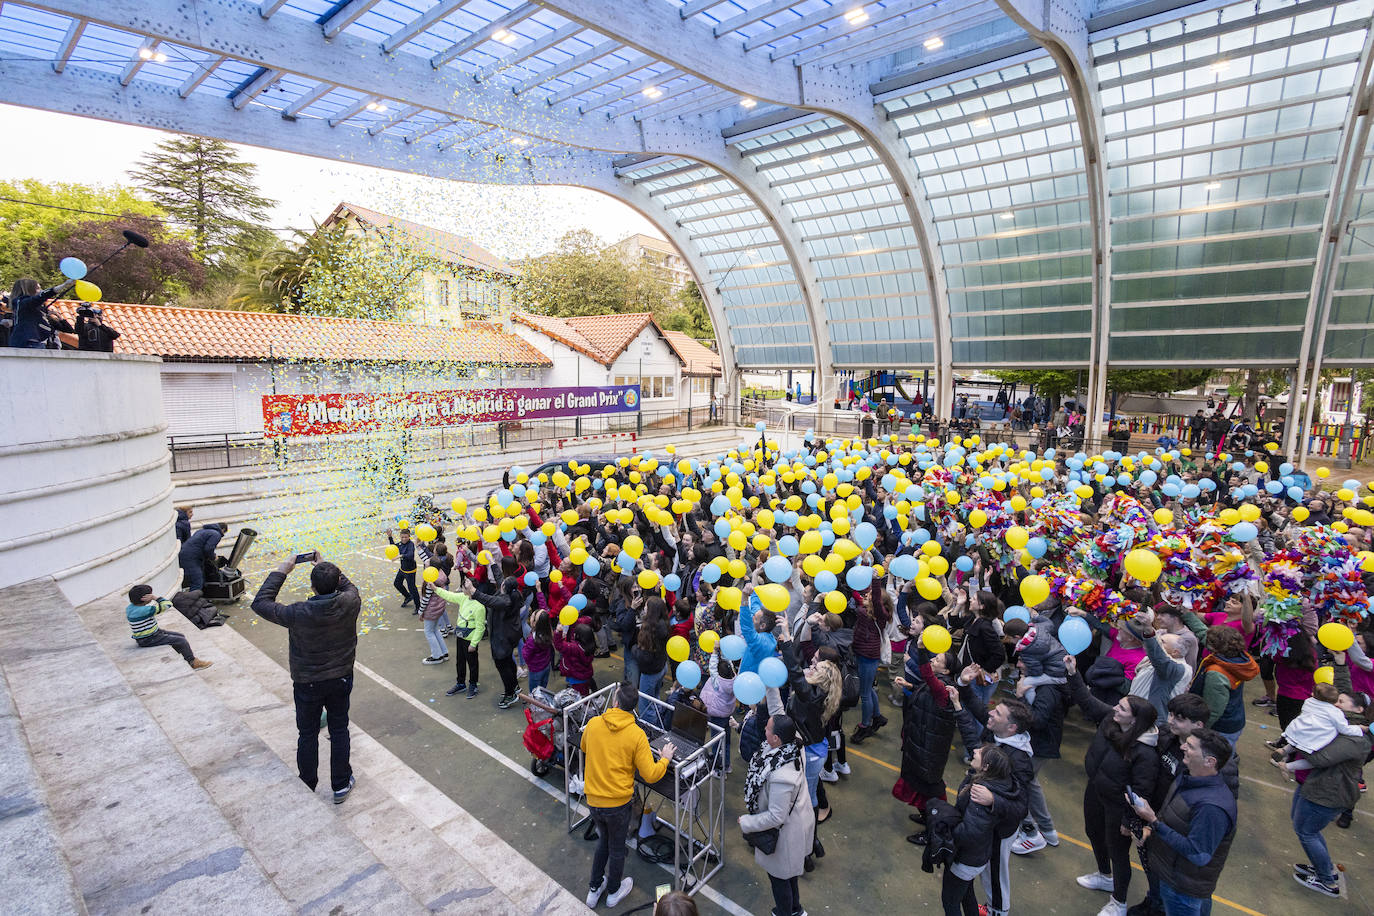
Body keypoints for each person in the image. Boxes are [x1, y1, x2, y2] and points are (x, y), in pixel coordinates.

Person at [249, 551, 362, 804]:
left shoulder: (298, 612)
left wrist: (281, 571)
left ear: (312, 586)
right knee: (339, 728)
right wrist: (326, 568)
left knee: (307, 733)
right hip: (341, 676)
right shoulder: (350, 601)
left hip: (307, 680)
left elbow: (260, 603)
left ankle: (308, 783)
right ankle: (341, 784)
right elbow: (349, 586)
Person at [1065, 654, 1161, 916]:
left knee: (1118, 852)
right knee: (1093, 833)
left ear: (1135, 719)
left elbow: (1142, 790)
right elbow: (1087, 701)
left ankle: (1118, 901)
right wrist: (1073, 674)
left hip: (1119, 806)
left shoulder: (1145, 752)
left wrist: (1129, 820)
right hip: (1096, 789)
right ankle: (1103, 874)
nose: (1114, 709)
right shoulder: (1112, 720)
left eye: (1121, 709)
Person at [581, 681, 674, 909]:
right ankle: (613, 890)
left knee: (604, 839)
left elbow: (584, 747)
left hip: (594, 800)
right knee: (616, 847)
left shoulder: (593, 724)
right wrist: (665, 759)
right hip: (618, 805)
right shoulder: (636, 735)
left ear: (615, 701)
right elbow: (651, 775)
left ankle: (594, 888)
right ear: (634, 707)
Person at [1130, 729, 1239, 916]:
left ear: (1209, 761)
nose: (1182, 747)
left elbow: (1198, 854)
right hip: (1171, 874)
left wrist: (1153, 821)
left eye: (1190, 746)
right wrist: (1151, 827)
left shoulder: (1211, 808)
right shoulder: (1187, 777)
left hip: (1183, 888)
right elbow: (1173, 815)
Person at [1287, 653, 1370, 898]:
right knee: (1301, 824)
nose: (1336, 703)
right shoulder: (1343, 715)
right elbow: (1342, 689)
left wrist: (1299, 738)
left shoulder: (1357, 739)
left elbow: (1321, 757)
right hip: (1314, 785)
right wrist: (1340, 661)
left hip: (1329, 792)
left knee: (1306, 831)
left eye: (1341, 702)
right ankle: (1324, 868)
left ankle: (1326, 881)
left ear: (1360, 710)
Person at [925, 743, 1026, 916]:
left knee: (950, 901)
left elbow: (970, 832)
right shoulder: (997, 782)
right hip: (977, 857)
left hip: (966, 859)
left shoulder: (980, 794)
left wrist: (946, 831)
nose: (974, 751)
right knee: (966, 894)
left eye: (979, 752)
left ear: (986, 767)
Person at [739, 713, 814, 916]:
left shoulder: (782, 775)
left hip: (787, 835)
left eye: (768, 729)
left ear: (776, 739)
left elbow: (776, 816)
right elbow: (778, 708)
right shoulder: (793, 745)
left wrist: (747, 822)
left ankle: (785, 912)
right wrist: (770, 686)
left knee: (780, 879)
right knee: (789, 876)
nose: (764, 730)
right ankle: (796, 910)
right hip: (796, 824)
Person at [460, 564, 524, 708]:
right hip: (507, 638)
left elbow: (487, 600)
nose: (501, 583)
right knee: (509, 663)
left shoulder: (504, 601)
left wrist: (472, 590)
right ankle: (514, 687)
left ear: (504, 588)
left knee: (503, 666)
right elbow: (500, 578)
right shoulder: (511, 594)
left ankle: (510, 694)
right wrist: (492, 563)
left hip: (501, 639)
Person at [126, 584, 211, 670]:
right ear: (144, 598)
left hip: (148, 634)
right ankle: (193, 662)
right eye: (149, 595)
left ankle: (184, 656)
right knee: (181, 641)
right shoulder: (145, 610)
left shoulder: (130, 608)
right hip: (149, 638)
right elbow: (168, 604)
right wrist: (155, 598)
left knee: (180, 635)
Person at [433, 578, 485, 698]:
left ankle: (473, 685)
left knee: (472, 664)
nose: (461, 589)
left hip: (470, 640)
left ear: (470, 589)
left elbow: (480, 628)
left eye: (463, 587)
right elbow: (449, 595)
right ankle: (461, 683)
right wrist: (436, 589)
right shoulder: (463, 597)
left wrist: (474, 643)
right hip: (460, 637)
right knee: (460, 662)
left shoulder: (479, 607)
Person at [7, 277, 74, 349]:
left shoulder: (34, 309)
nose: (41, 290)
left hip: (36, 343)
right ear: (30, 289)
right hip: (28, 343)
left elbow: (68, 329)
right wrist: (63, 285)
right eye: (38, 288)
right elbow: (41, 296)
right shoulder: (22, 303)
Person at [178, 522, 227, 592]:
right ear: (223, 530)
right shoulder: (216, 534)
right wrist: (214, 557)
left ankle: (198, 598)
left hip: (185, 554)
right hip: (191, 557)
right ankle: (192, 601)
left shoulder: (201, 531)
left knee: (200, 578)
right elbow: (208, 549)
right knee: (197, 581)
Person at [386, 527, 422, 611]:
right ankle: (408, 596)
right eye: (402, 537)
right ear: (400, 537)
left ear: (409, 537)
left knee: (412, 588)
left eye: (406, 537)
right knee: (397, 583)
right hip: (402, 569)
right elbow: (393, 548)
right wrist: (390, 537)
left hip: (410, 571)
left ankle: (418, 607)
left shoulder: (411, 544)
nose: (404, 539)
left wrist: (401, 555)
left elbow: (410, 555)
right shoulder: (400, 544)